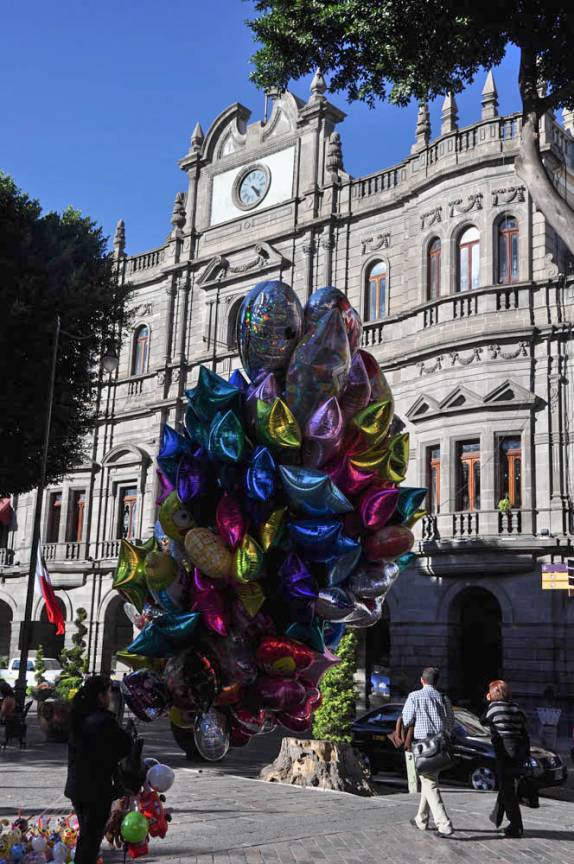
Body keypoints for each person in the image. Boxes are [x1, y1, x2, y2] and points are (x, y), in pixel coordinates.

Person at [65, 675, 133, 864]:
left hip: (78, 786)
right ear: (101, 695)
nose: (111, 696)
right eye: (109, 692)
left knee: (87, 837)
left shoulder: (80, 716)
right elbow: (124, 746)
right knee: (91, 840)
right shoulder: (103, 721)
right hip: (95, 789)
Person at [402, 666, 455, 838]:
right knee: (429, 780)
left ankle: (444, 824)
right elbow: (450, 723)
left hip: (423, 745)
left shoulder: (414, 696)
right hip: (440, 744)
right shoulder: (443, 697)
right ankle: (421, 819)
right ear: (436, 681)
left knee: (429, 783)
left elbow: (407, 719)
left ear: (422, 680)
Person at [483, 679, 529, 838]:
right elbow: (524, 731)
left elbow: (483, 721)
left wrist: (488, 702)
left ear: (494, 693)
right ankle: (497, 816)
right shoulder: (517, 708)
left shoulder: (494, 708)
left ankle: (516, 826)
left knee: (507, 789)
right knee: (508, 786)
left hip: (503, 752)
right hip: (517, 752)